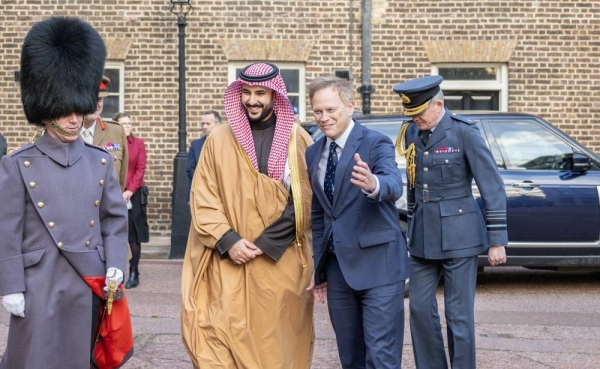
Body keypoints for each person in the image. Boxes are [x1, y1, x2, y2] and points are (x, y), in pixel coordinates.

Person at [0, 16, 133, 368]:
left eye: (80, 109)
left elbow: (115, 221)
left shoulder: (100, 162)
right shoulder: (17, 164)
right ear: (45, 113)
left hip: (88, 281)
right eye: (64, 110)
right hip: (38, 283)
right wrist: (10, 284)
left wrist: (116, 264)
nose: (75, 119)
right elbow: (7, 231)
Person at [181, 62, 315, 368]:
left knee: (276, 345)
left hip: (277, 262)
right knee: (216, 336)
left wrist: (264, 243)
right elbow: (203, 195)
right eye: (245, 92)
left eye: (260, 93)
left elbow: (304, 200)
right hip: (228, 259)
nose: (252, 100)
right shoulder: (218, 138)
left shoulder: (297, 139)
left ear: (275, 95)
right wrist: (229, 241)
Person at [393, 75, 507, 369]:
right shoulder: (410, 133)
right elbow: (413, 184)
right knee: (418, 308)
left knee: (458, 315)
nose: (415, 118)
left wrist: (497, 240)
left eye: (420, 112)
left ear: (439, 104)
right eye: (411, 113)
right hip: (421, 236)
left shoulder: (465, 133)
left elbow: (491, 186)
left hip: (460, 235)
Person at [306, 76, 409, 369]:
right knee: (350, 357)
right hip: (339, 271)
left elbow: (393, 183)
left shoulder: (376, 142)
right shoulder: (313, 152)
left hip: (380, 266)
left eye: (331, 110)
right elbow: (320, 214)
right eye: (318, 111)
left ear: (350, 106)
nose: (324, 118)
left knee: (381, 356)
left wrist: (374, 184)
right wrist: (320, 267)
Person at [114, 112, 149, 289]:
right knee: (114, 234)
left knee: (133, 236)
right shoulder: (111, 145)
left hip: (133, 196)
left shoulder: (138, 144)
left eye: (130, 123)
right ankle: (115, 272)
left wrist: (129, 190)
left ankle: (134, 272)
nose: (128, 126)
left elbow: (140, 169)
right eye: (124, 123)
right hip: (113, 194)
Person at [81, 76, 129, 191]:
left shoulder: (116, 131)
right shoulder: (62, 135)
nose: (94, 105)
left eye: (99, 100)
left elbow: (121, 181)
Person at [185, 110, 221, 199]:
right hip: (200, 194)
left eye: (208, 124)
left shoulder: (226, 144)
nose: (204, 126)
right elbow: (190, 169)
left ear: (218, 124)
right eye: (203, 124)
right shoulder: (195, 145)